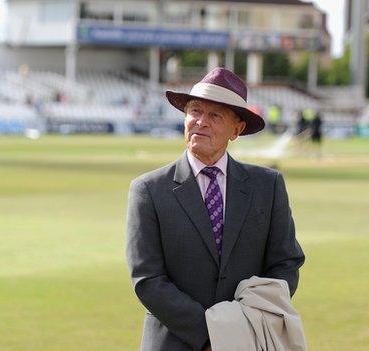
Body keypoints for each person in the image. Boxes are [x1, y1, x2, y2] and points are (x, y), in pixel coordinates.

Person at [125, 68, 305, 351]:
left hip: (248, 341)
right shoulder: (148, 190)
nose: (201, 122)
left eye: (215, 115)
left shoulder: (267, 186)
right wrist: (214, 336)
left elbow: (285, 264)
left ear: (237, 129)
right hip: (173, 343)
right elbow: (148, 280)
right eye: (195, 111)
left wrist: (244, 324)